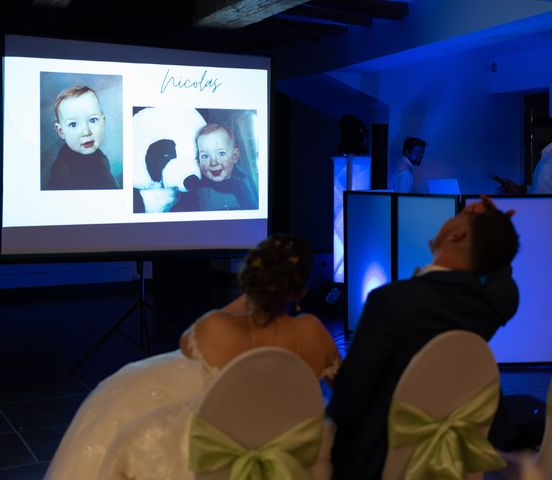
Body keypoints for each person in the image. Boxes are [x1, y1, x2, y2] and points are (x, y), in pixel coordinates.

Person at [45, 234, 341, 479]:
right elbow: (343, 384)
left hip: (219, 446)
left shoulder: (215, 328)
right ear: (301, 291)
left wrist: (247, 302)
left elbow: (186, 349)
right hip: (292, 448)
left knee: (128, 436)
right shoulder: (313, 332)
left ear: (247, 280)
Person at [327, 195, 520, 480]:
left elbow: (348, 403)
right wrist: (497, 233)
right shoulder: (489, 305)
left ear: (458, 234)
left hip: (384, 458)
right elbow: (504, 285)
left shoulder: (390, 301)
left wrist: (335, 379)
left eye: (458, 217)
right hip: (461, 452)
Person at [44, 85, 119, 190]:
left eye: (93, 120)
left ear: (103, 121)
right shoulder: (63, 172)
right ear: (61, 131)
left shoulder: (99, 156)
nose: (86, 132)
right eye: (73, 124)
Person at [176, 124, 258, 211]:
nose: (213, 162)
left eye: (221, 153)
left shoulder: (242, 185)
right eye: (205, 156)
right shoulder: (196, 185)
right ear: (198, 160)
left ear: (235, 156)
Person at [529, 116, 552, 194]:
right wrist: (519, 189)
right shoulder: (544, 156)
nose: (532, 139)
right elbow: (538, 189)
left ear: (548, 132)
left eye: (535, 135)